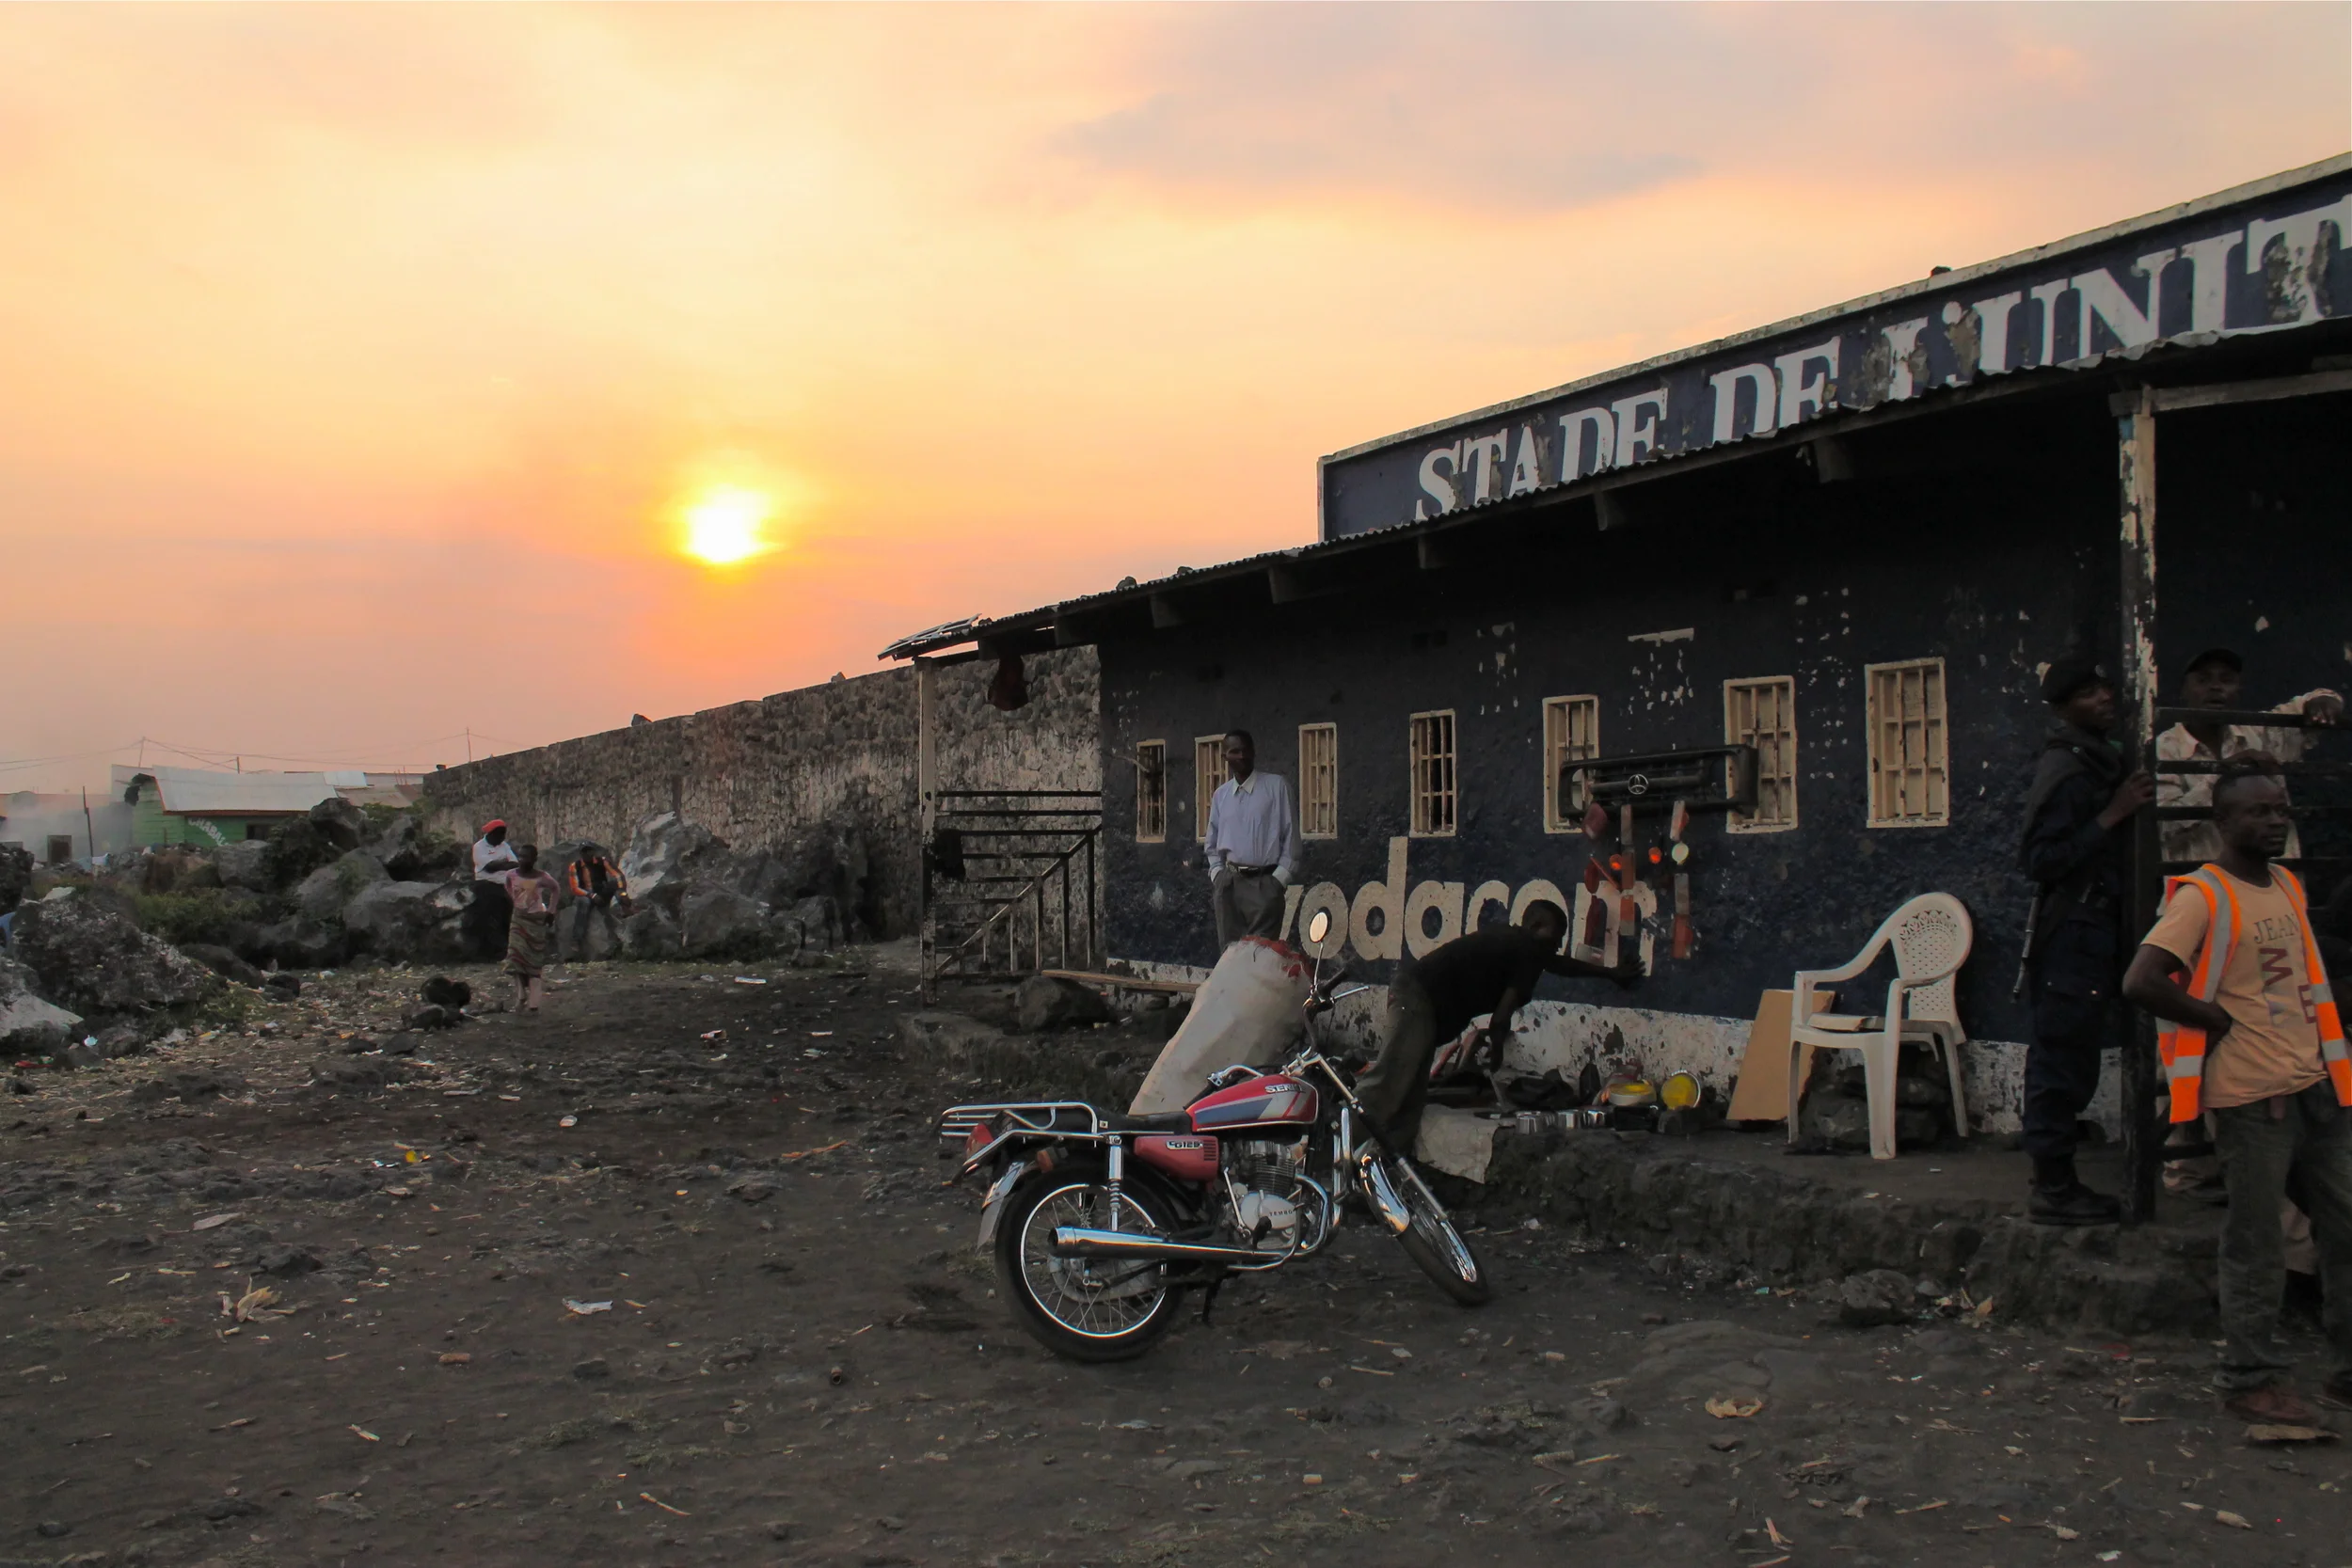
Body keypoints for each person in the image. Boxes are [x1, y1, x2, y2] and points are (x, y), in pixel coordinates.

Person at [2122, 759, 2352, 1424]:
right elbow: (2143, 979)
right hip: (2252, 1099)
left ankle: (2346, 1370)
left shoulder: (2284, 885)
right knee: (2256, 1243)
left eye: (2281, 809)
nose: (2275, 820)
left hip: (2316, 1087)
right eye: (2258, 811)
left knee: (2346, 1228)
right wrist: (2216, 1018)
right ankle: (2250, 1377)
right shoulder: (2203, 895)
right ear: (2222, 822)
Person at [2017, 654, 2153, 1226]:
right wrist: (2114, 815)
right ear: (2064, 707)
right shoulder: (2067, 770)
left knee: (2077, 1056)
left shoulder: (2097, 759)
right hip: (2073, 931)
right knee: (2062, 1059)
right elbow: (2040, 860)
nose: (2104, 699)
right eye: (2089, 693)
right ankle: (2053, 1188)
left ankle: (2059, 1182)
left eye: (2105, 689)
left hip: (2096, 929)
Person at [1355, 900, 1633, 1148]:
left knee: (1409, 1101)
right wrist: (1496, 1049)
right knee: (1388, 1084)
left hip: (1417, 998)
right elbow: (1501, 1017)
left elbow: (1559, 964)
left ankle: (1379, 1170)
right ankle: (1333, 1143)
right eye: (1556, 936)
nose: (1558, 945)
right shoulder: (1527, 949)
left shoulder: (1518, 944)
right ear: (1535, 926)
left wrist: (1609, 974)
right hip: (1418, 999)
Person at [2155, 648, 2341, 866]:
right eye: (2203, 680)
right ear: (2183, 691)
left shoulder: (2260, 733)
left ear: (2239, 690)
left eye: (2227, 680)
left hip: (2271, 884)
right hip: (2205, 889)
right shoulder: (2163, 748)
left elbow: (2316, 700)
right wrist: (2225, 774)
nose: (2215, 687)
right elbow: (2165, 828)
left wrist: (2324, 702)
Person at [1202, 730, 1301, 949]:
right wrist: (1218, 875)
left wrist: (1276, 883)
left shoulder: (1277, 787)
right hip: (1229, 885)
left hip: (1264, 884)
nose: (1242, 756)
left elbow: (1291, 839)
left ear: (1254, 752)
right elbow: (1212, 844)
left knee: (1261, 956)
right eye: (1235, 751)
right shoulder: (1221, 796)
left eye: (1246, 750)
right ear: (1224, 757)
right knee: (1230, 957)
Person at [501, 844, 562, 1013]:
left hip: (535, 921)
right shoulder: (511, 875)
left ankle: (534, 1003)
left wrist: (551, 911)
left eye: (526, 857)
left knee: (534, 963)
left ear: (534, 860)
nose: (522, 860)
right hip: (518, 918)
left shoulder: (542, 877)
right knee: (515, 957)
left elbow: (556, 889)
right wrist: (515, 901)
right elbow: (508, 887)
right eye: (520, 856)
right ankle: (520, 995)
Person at [464, 820, 519, 960]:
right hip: (486, 884)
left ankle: (509, 948)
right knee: (492, 915)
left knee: (509, 914)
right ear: (492, 834)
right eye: (500, 834)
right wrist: (503, 864)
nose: (503, 837)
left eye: (504, 834)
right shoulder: (479, 847)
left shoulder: (504, 846)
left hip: (504, 884)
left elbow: (514, 863)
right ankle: (494, 951)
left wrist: (500, 864)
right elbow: (489, 867)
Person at [565, 845, 630, 959]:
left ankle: (626, 909)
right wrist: (592, 895)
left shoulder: (602, 861)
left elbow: (618, 875)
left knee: (615, 885)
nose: (588, 855)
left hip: (601, 891)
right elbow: (575, 888)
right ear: (581, 854)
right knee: (583, 904)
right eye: (585, 852)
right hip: (585, 894)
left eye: (590, 851)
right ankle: (576, 940)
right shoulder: (574, 866)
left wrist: (622, 891)